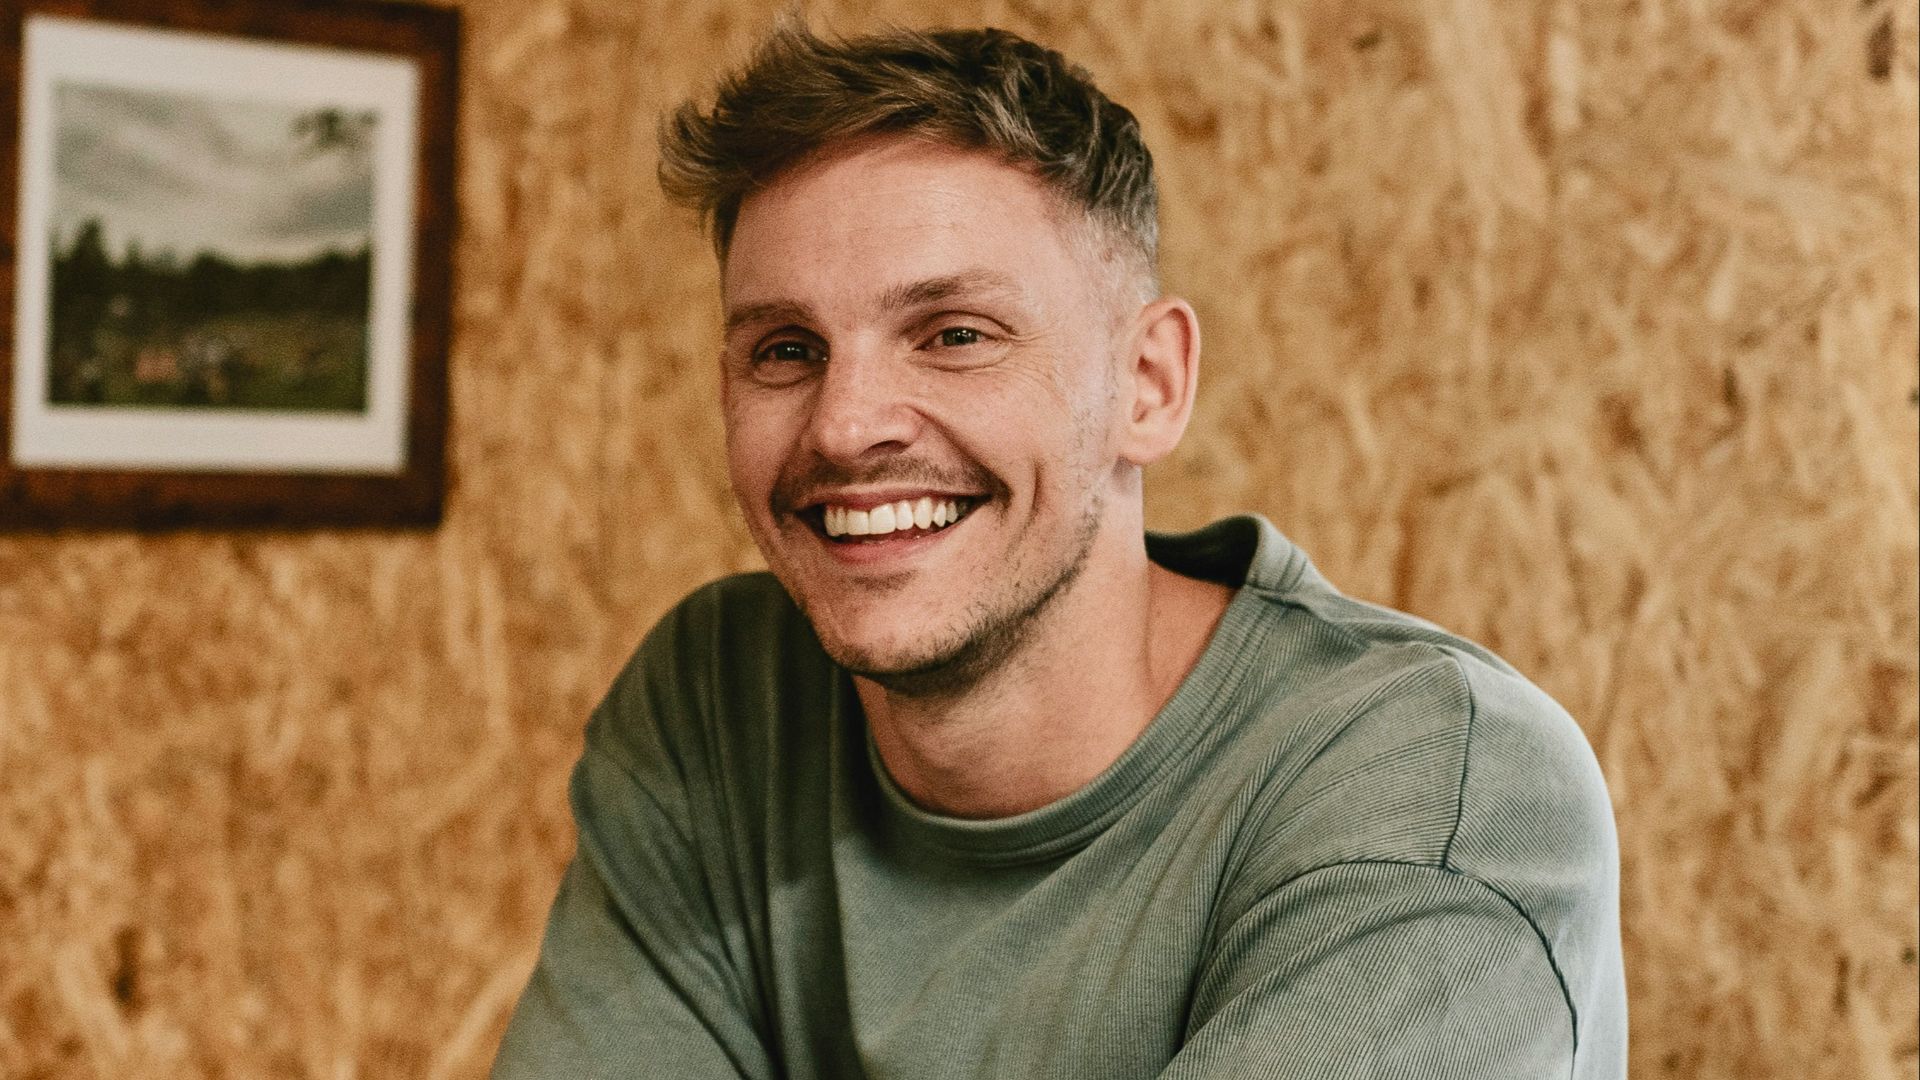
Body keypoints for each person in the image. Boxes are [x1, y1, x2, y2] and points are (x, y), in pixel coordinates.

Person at [492, 22, 1627, 1080]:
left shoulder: (1437, 785)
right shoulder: (717, 700)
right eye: (786, 349)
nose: (845, 425)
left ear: (1149, 385)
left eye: (955, 336)